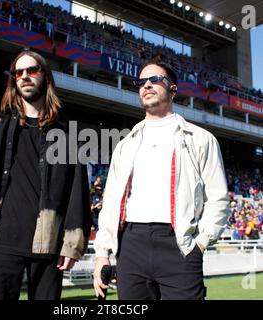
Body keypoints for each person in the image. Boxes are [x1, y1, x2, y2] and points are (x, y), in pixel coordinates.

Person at [93, 58, 229, 300]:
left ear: (173, 89)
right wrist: (102, 253)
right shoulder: (125, 145)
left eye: (155, 79)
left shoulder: (201, 139)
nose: (146, 85)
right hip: (131, 245)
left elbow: (218, 198)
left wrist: (200, 245)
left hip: (179, 246)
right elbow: (111, 202)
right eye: (141, 81)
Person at [0, 49, 91, 300]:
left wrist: (72, 243)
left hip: (48, 245)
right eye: (18, 72)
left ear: (45, 76)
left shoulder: (66, 133)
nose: (24, 76)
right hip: (2, 240)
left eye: (31, 70)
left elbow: (77, 192)